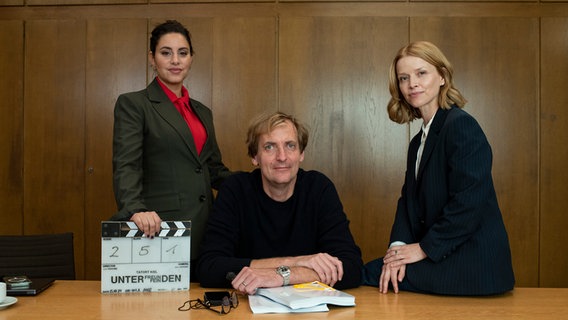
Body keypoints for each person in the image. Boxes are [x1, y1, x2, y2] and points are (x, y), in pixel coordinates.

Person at [362, 41, 514, 296]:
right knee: (381, 270)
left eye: (421, 73)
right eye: (404, 78)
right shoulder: (417, 142)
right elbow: (407, 202)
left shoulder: (461, 126)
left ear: (442, 76)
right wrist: (397, 250)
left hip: (472, 265)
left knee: (367, 273)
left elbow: (469, 203)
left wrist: (421, 249)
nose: (413, 83)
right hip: (445, 254)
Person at [110, 20, 233, 271]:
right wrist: (135, 209)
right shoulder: (134, 104)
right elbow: (127, 165)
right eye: (166, 53)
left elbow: (213, 169)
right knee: (163, 309)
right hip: (159, 230)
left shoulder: (203, 112)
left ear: (191, 58)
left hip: (208, 229)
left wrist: (260, 180)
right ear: (152, 58)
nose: (175, 60)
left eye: (183, 53)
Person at [197, 112, 363, 292]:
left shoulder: (318, 188)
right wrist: (296, 262)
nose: (282, 157)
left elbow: (351, 267)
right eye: (269, 147)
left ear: (301, 154)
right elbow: (209, 268)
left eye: (290, 146)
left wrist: (281, 276)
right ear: (255, 157)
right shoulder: (235, 190)